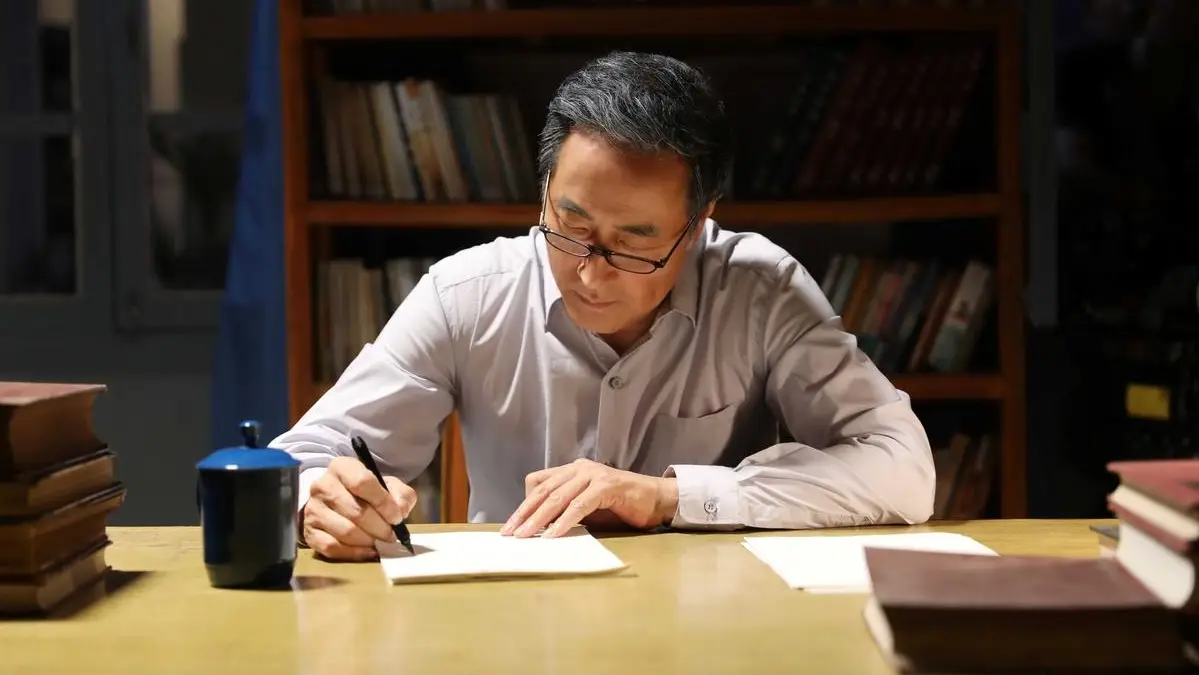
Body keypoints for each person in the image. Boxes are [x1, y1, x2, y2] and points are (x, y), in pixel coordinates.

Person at [272, 51, 935, 561]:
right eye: (570, 226)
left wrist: (669, 496)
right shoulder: (467, 294)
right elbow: (297, 462)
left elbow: (901, 467)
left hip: (711, 624)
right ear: (544, 190)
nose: (590, 272)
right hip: (511, 625)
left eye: (635, 243)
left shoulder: (761, 292)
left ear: (699, 223)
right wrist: (315, 503)